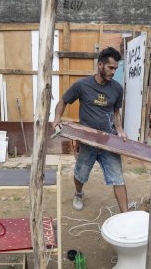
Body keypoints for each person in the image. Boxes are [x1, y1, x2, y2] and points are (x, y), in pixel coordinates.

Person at [51, 47, 129, 213]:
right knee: (80, 175)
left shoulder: (117, 88)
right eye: (111, 67)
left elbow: (116, 112)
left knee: (118, 177)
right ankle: (78, 193)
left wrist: (120, 129)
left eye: (116, 68)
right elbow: (63, 101)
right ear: (100, 65)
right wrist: (57, 117)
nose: (113, 72)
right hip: (87, 140)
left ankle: (126, 216)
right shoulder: (82, 85)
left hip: (109, 140)